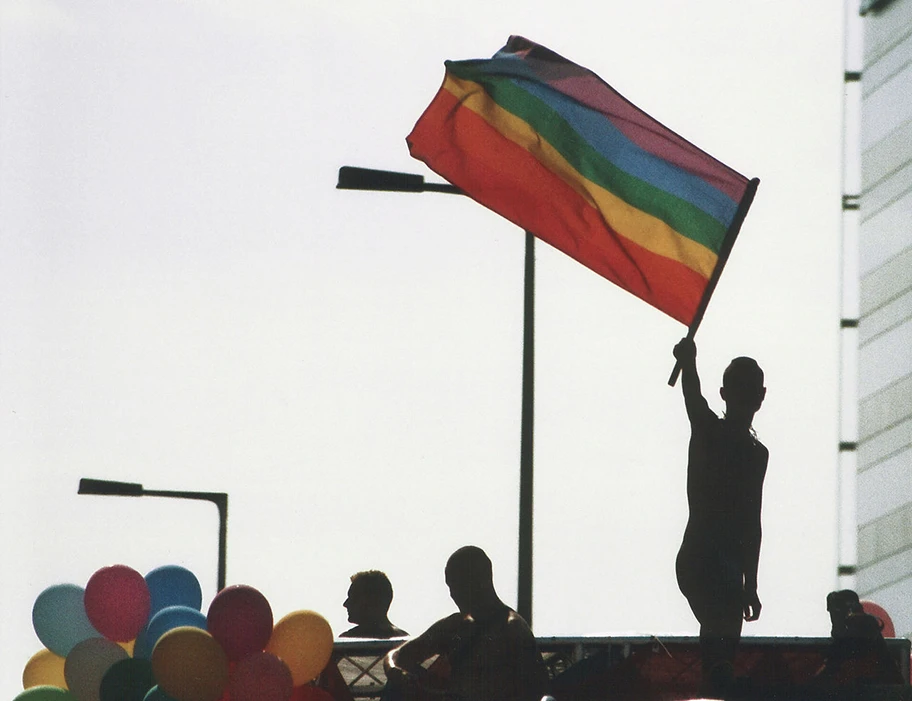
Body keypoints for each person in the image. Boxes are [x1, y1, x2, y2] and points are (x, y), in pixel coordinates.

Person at [672, 337, 768, 695]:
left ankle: (719, 680)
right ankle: (720, 680)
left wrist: (689, 361)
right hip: (708, 561)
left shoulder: (747, 449)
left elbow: (752, 525)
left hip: (712, 562)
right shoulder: (716, 434)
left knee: (721, 640)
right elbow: (752, 526)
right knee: (721, 635)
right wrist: (750, 583)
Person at [383, 546, 548, 701]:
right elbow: (397, 655)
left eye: (459, 585)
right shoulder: (456, 625)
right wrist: (394, 671)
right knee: (395, 688)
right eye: (451, 587)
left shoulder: (513, 629)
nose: (454, 594)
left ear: (482, 580)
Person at [341, 570, 408, 639]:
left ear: (373, 601)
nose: (346, 604)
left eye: (354, 598)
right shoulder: (405, 641)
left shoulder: (348, 641)